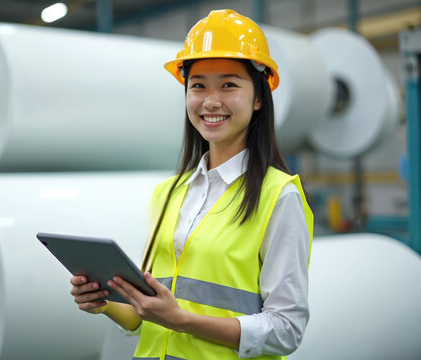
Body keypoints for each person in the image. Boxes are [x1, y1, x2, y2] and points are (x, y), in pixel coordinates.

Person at [70, 9, 313, 360]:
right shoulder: (168, 194)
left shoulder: (278, 196)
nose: (211, 101)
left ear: (259, 97)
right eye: (198, 86)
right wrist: (104, 304)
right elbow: (147, 316)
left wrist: (183, 320)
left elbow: (286, 330)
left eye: (229, 84)